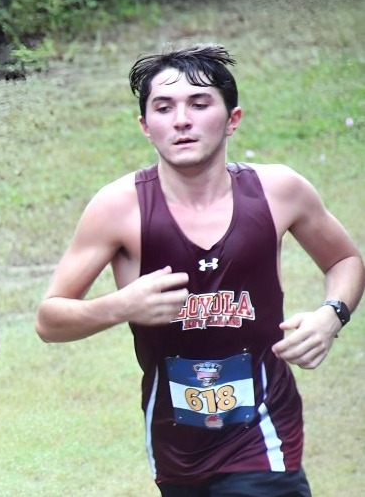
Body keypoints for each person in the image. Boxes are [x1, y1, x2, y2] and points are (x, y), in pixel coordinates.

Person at [35, 44, 364, 496]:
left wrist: (332, 314)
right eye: (164, 108)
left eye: (199, 103)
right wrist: (120, 305)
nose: (181, 120)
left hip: (264, 428)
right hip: (174, 437)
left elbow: (345, 259)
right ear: (145, 127)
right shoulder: (117, 208)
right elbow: (49, 319)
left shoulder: (279, 191)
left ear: (232, 119)